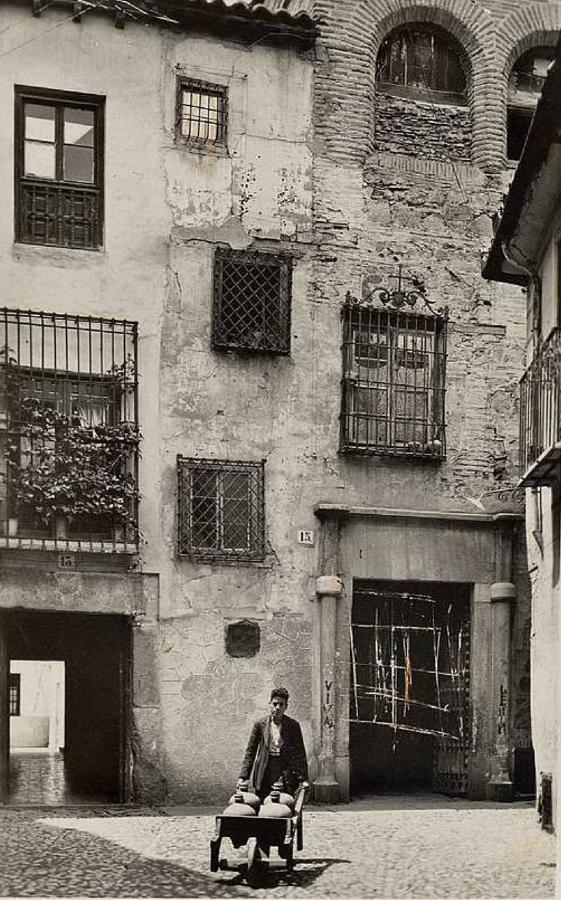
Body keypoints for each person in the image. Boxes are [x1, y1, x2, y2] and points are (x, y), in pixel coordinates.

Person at [238, 687, 308, 798]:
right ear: (270, 704)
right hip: (265, 767)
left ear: (286, 707)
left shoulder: (293, 726)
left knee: (284, 801)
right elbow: (250, 752)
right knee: (262, 802)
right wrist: (243, 776)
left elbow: (300, 754)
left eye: (281, 704)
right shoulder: (260, 724)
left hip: (284, 769)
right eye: (275, 704)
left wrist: (303, 779)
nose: (277, 708)